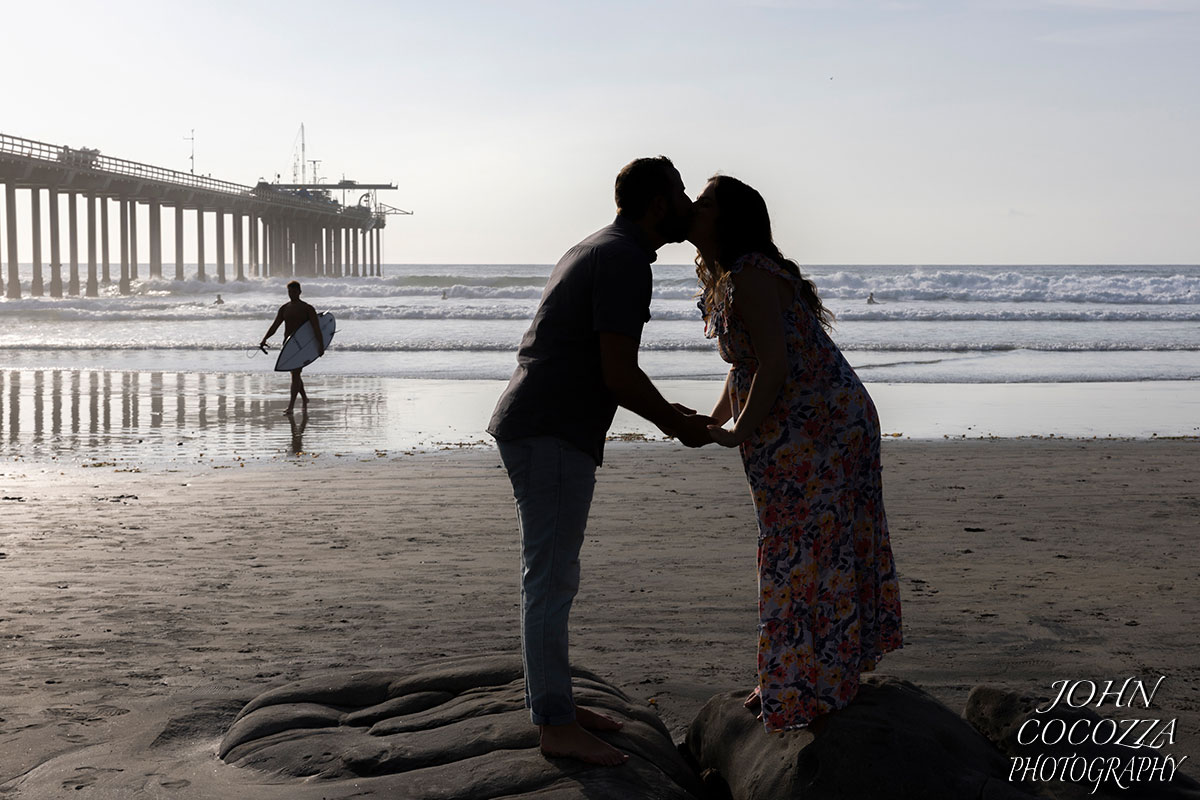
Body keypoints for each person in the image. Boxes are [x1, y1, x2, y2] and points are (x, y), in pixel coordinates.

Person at [488, 156, 714, 766]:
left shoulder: (598, 246)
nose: (689, 204)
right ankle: (556, 724)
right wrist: (676, 424)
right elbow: (618, 372)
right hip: (551, 428)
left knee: (551, 574)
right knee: (552, 578)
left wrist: (671, 414)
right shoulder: (622, 260)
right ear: (659, 203)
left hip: (538, 421)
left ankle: (553, 704)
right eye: (682, 193)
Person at [690, 175, 903, 734]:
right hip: (796, 423)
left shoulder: (753, 275)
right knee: (804, 548)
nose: (693, 207)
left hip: (822, 426)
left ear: (729, 219)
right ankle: (805, 676)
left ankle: (805, 682)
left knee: (802, 549)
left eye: (705, 202)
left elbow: (777, 365)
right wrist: (717, 416)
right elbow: (750, 364)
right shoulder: (732, 277)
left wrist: (738, 431)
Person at [260, 280, 324, 415]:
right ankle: (305, 398)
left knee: (295, 374)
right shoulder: (284, 308)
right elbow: (275, 326)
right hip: (288, 345)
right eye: (289, 291)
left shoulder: (308, 308)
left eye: (294, 291)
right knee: (295, 373)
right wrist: (265, 338)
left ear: (300, 292)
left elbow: (316, 328)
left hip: (302, 347)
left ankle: (291, 406)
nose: (292, 294)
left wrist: (320, 345)